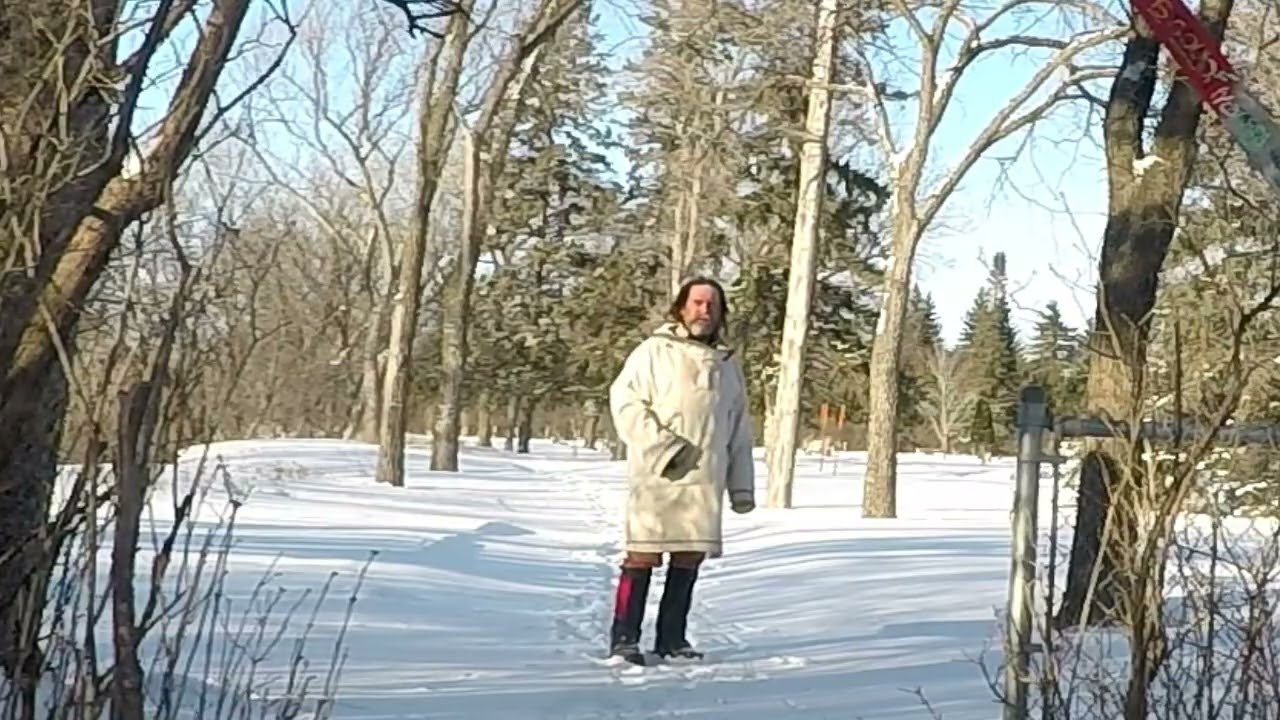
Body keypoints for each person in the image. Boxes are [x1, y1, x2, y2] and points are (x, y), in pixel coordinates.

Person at [606, 276, 756, 665]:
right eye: (697, 303)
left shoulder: (727, 366)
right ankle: (624, 639)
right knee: (641, 557)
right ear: (681, 308)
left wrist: (741, 487)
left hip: (705, 480)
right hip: (658, 476)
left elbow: (739, 430)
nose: (704, 311)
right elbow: (625, 403)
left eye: (712, 305)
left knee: (689, 558)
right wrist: (664, 448)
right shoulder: (653, 352)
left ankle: (672, 640)